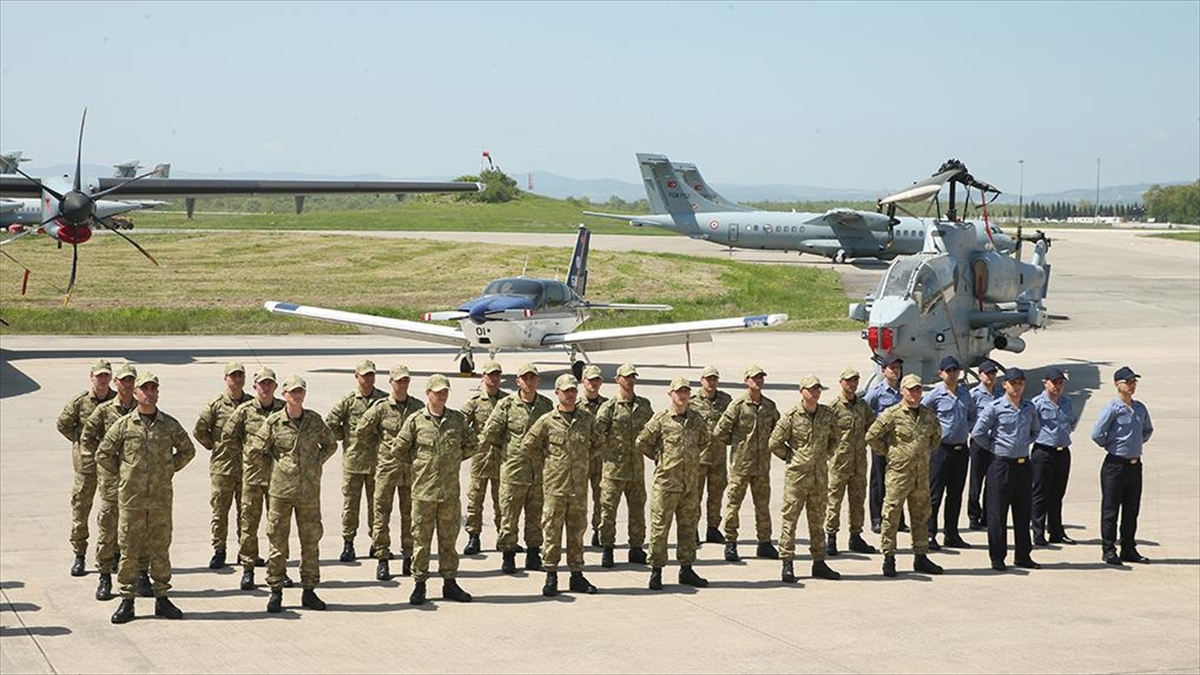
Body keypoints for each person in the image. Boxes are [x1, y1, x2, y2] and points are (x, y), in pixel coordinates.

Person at [96, 372, 196, 624]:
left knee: (160, 549)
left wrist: (168, 468)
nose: (149, 393)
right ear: (136, 393)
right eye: (145, 389)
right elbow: (103, 454)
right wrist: (125, 474)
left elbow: (188, 450)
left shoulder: (169, 424)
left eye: (154, 388)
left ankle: (161, 597)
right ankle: (127, 601)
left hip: (161, 499)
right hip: (132, 500)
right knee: (129, 549)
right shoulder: (124, 425)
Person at [386, 374, 477, 605]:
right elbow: (399, 449)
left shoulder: (456, 419)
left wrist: (452, 459)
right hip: (423, 493)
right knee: (421, 542)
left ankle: (450, 583)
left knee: (448, 541)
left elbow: (472, 444)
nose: (442, 395)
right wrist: (421, 464)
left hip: (448, 494)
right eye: (437, 392)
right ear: (428, 393)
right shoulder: (417, 421)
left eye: (445, 391)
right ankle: (420, 584)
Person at [252, 376, 338, 613]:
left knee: (311, 542)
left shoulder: (313, 420)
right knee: (278, 542)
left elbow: (331, 444)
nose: (297, 395)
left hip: (309, 492)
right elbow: (256, 450)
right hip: (281, 492)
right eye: (293, 392)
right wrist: (274, 469)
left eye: (301, 391)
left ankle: (309, 590)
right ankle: (276, 591)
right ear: (285, 395)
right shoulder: (274, 423)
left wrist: (315, 464)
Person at [523, 374, 604, 597]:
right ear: (557, 393)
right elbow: (528, 445)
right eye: (565, 391)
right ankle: (551, 574)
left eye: (573, 391)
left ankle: (576, 575)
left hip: (578, 488)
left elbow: (598, 443)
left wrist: (583, 461)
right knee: (552, 531)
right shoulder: (547, 420)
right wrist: (549, 462)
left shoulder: (586, 419)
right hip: (555, 487)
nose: (570, 395)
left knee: (577, 532)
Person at [865, 373, 944, 578]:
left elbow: (936, 438)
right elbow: (872, 436)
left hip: (920, 476)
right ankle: (889, 557)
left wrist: (922, 454)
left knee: (920, 516)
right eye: (911, 390)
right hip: (898, 475)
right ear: (903, 392)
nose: (915, 393)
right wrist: (890, 452)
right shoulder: (892, 414)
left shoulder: (928, 415)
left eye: (918, 389)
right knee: (891, 516)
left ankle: (921, 556)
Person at [82, 363, 149, 601]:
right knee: (108, 528)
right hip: (111, 482)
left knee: (140, 529)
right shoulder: (103, 411)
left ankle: (142, 574)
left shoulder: (143, 409)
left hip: (137, 483)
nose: (128, 384)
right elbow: (88, 439)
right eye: (123, 380)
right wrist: (108, 468)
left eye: (132, 380)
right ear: (116, 383)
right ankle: (104, 577)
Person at [636, 377, 711, 590]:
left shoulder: (696, 419)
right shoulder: (661, 419)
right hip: (666, 484)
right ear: (670, 394)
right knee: (660, 529)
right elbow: (642, 442)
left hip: (689, 484)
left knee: (688, 528)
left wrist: (690, 460)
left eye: (686, 391)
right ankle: (656, 571)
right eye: (678, 392)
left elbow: (704, 441)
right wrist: (660, 459)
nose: (683, 395)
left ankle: (686, 569)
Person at [770, 375, 842, 583]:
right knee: (790, 519)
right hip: (797, 477)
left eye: (818, 388)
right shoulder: (791, 416)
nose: (815, 392)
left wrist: (824, 455)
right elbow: (774, 442)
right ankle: (787, 561)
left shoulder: (827, 414)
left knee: (817, 520)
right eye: (811, 389)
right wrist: (791, 457)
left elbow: (835, 438)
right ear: (802, 391)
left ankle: (819, 562)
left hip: (819, 476)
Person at [482, 363, 553, 573]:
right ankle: (509, 555)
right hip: (513, 472)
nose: (529, 382)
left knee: (535, 517)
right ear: (518, 381)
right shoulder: (506, 405)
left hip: (538, 473)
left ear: (538, 381)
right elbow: (491, 433)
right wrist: (508, 452)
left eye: (533, 378)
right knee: (509, 518)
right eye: (525, 378)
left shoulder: (546, 405)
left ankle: (533, 555)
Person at [221, 367, 286, 591]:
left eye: (270, 383)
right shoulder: (245, 410)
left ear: (275, 387)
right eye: (262, 383)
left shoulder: (284, 409)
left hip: (279, 477)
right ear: (255, 386)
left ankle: (278, 568)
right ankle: (248, 569)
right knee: (249, 523)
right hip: (253, 476)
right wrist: (245, 455)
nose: (266, 387)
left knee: (277, 525)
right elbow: (227, 436)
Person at [971, 367, 1041, 572]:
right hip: (1001, 466)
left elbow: (1035, 430)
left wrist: (1022, 444)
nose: (1017, 387)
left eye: (1020, 383)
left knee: (1023, 513)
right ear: (1005, 385)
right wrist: (996, 448)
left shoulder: (1029, 408)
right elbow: (978, 433)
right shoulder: (994, 408)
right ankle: (998, 556)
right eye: (1013, 383)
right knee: (997, 514)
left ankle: (1023, 555)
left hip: (1023, 465)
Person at [360, 364, 423, 580]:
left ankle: (408, 557)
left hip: (410, 470)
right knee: (382, 514)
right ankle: (382, 558)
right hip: (387, 468)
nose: (402, 384)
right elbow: (362, 430)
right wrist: (380, 448)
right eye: (398, 381)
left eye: (405, 380)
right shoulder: (381, 407)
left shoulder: (418, 407)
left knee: (411, 514)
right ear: (391, 383)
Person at [714, 364, 780, 562]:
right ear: (746, 381)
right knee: (734, 504)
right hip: (741, 466)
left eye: (761, 377)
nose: (758, 381)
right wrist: (736, 444)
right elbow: (719, 431)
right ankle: (731, 542)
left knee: (763, 506)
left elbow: (778, 431)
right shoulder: (738, 405)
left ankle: (765, 543)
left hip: (762, 466)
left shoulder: (769, 406)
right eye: (754, 378)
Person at [57, 358, 115, 577]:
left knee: (111, 510)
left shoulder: (118, 401)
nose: (102, 379)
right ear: (91, 377)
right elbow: (63, 423)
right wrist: (79, 442)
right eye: (98, 375)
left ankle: (113, 552)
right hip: (86, 465)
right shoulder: (80, 402)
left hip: (110, 466)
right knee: (81, 508)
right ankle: (79, 554)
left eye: (106, 375)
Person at [326, 359, 387, 563]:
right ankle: (348, 544)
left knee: (377, 506)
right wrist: (344, 436)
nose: (368, 379)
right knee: (351, 506)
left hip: (378, 463)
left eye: (371, 375)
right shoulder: (349, 401)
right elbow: (331, 422)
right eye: (364, 375)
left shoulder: (383, 400)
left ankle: (377, 543)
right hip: (353, 463)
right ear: (356, 377)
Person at [193, 361, 253, 570]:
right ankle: (219, 550)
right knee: (220, 511)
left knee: (246, 511)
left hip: (247, 468)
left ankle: (246, 551)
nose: (237, 379)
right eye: (233, 375)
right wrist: (215, 446)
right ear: (226, 378)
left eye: (240, 375)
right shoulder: (216, 405)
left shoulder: (251, 404)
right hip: (223, 468)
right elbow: (199, 430)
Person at [1091, 366, 1153, 566]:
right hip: (1115, 465)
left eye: (1134, 382)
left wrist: (1134, 444)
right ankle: (1108, 549)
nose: (1132, 385)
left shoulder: (1140, 408)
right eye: (1129, 382)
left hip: (1134, 465)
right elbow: (1097, 434)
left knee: (1131, 509)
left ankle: (1128, 548)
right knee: (1110, 509)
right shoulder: (1112, 408)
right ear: (1118, 384)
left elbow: (1147, 430)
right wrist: (1114, 446)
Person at [594, 364, 654, 568]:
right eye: (626, 377)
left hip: (636, 469)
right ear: (617, 380)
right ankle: (608, 549)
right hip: (613, 470)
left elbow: (654, 432)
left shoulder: (644, 406)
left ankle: (636, 548)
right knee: (608, 512)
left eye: (632, 377)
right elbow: (596, 434)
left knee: (637, 510)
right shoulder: (609, 407)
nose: (629, 381)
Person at [921, 355, 977, 550]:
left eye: (955, 370)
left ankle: (951, 534)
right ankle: (929, 534)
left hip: (961, 451)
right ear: (941, 373)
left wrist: (963, 429)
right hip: (940, 451)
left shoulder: (965, 394)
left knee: (955, 494)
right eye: (949, 371)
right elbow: (922, 415)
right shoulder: (935, 395)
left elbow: (972, 417)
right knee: (935, 495)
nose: (953, 374)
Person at [824, 367, 878, 556]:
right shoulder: (833, 408)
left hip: (859, 463)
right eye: (848, 381)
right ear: (841, 383)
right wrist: (831, 454)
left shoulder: (862, 406)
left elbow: (873, 427)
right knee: (834, 501)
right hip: (839, 464)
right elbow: (824, 435)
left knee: (857, 500)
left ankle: (856, 536)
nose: (852, 384)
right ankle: (830, 537)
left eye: (855, 380)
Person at [461, 361, 509, 556]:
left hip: (503, 460)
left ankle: (503, 536)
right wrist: (474, 443)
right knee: (475, 500)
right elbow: (461, 425)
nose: (494, 379)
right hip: (481, 459)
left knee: (503, 501)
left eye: (497, 375)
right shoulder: (474, 402)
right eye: (490, 375)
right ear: (483, 377)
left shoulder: (507, 401)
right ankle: (474, 537)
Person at [1031, 367, 1078, 546]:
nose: (1058, 386)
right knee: (1040, 493)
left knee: (1058, 493)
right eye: (1055, 382)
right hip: (1044, 452)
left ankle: (1057, 531)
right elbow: (1031, 426)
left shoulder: (1066, 403)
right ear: (1045, 383)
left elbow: (1072, 422)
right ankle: (1038, 532)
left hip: (1062, 452)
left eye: (1061, 383)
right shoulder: (1037, 403)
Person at [865, 355, 907, 534]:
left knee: (899, 482)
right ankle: (877, 518)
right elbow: (865, 413)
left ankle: (899, 519)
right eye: (892, 368)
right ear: (883, 371)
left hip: (899, 445)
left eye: (897, 368)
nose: (895, 371)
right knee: (878, 481)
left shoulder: (903, 393)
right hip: (882, 444)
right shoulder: (876, 393)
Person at [691, 365, 733, 545]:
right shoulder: (692, 402)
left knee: (716, 495)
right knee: (694, 496)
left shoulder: (725, 400)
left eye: (714, 379)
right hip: (699, 458)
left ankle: (713, 528)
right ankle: (692, 529)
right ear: (702, 380)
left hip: (718, 457)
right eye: (708, 379)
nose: (711, 382)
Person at [967, 360, 1004, 530]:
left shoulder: (1000, 394)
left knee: (993, 482)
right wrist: (973, 431)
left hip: (995, 443)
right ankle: (974, 516)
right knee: (976, 482)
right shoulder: (974, 394)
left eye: (993, 373)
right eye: (987, 373)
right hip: (979, 443)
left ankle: (988, 517)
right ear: (980, 375)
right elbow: (967, 415)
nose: (990, 376)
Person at [578, 364, 608, 547]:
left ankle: (599, 531)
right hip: (581, 461)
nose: (594, 384)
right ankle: (578, 534)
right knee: (579, 501)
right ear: (583, 381)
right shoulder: (575, 406)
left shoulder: (607, 405)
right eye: (590, 380)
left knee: (602, 499)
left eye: (597, 380)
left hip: (603, 460)